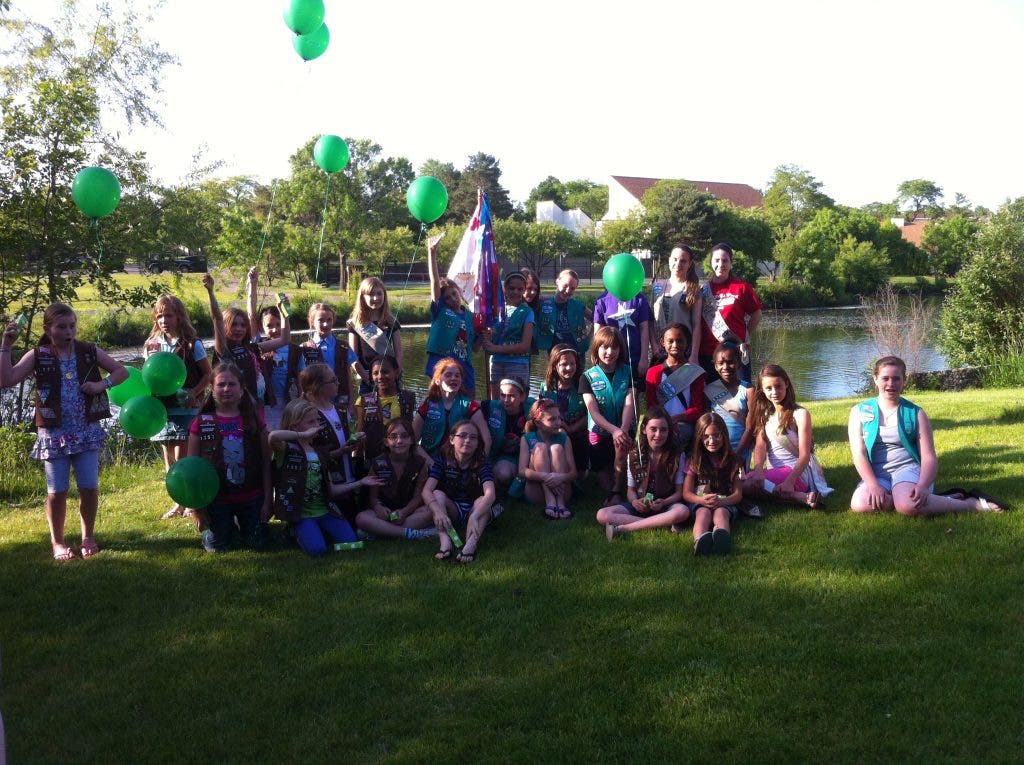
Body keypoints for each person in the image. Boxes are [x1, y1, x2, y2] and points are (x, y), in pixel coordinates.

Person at [0, 303, 128, 560]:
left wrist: (101, 384)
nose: (68, 331)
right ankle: (57, 542)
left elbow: (121, 371)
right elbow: (7, 380)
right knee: (57, 491)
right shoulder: (38, 354)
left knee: (89, 487)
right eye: (61, 327)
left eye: (72, 326)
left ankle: (87, 537)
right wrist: (6, 346)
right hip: (53, 433)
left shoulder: (89, 351)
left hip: (86, 430)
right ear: (48, 329)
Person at [848, 356, 1005, 515]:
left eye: (896, 378)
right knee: (860, 504)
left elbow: (929, 457)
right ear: (875, 379)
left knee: (907, 506)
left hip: (908, 469)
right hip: (877, 474)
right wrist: (873, 485)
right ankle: (933, 500)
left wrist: (922, 486)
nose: (890, 384)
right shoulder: (859, 412)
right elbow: (859, 454)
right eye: (885, 378)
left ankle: (972, 504)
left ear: (904, 380)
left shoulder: (916, 413)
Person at [269, 398, 371, 556]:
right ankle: (293, 530)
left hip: (324, 511)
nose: (317, 426)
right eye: (311, 422)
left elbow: (332, 490)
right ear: (294, 425)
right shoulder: (286, 449)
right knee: (318, 551)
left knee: (351, 542)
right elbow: (273, 437)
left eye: (317, 420)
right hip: (301, 514)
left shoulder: (320, 452)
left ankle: (317, 533)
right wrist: (302, 435)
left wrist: (360, 483)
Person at [188, 362, 271, 553]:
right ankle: (223, 528)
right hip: (217, 500)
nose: (226, 389)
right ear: (212, 388)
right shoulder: (201, 423)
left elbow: (266, 462)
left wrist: (268, 501)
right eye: (221, 384)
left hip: (252, 497)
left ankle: (245, 525)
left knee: (258, 543)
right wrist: (197, 510)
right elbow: (192, 470)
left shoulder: (254, 421)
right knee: (217, 547)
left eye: (232, 384)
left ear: (242, 389)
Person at [144, 295, 213, 520]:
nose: (164, 320)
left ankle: (190, 500)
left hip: (187, 410)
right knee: (169, 461)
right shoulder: (152, 345)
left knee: (183, 458)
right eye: (160, 315)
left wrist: (194, 393)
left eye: (169, 315)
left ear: (180, 316)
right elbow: (148, 376)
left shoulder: (193, 343)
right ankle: (178, 502)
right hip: (162, 410)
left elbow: (208, 374)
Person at [744, 364, 832, 508]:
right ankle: (800, 498)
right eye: (769, 388)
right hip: (775, 472)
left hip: (797, 473)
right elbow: (760, 446)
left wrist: (790, 482)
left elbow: (805, 455)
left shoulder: (800, 414)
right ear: (762, 390)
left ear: (786, 383)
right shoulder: (764, 414)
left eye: (778, 386)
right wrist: (759, 471)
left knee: (744, 485)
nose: (774, 392)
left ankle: (795, 493)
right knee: (741, 483)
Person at [598, 407, 690, 539]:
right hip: (641, 505)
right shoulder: (634, 454)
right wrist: (635, 502)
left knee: (682, 511)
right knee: (602, 514)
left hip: (666, 505)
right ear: (643, 429)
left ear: (669, 432)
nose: (658, 435)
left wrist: (663, 503)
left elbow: (679, 493)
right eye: (653, 429)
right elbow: (631, 490)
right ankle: (662, 523)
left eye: (663, 430)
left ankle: (624, 528)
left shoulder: (677, 455)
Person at [203, 271, 291, 409]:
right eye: (234, 324)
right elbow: (217, 319)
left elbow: (284, 339)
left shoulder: (253, 348)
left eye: (243, 325)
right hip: (236, 409)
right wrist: (210, 292)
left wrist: (283, 313)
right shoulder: (224, 350)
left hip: (257, 407)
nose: (239, 329)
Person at [422, 419, 502, 564]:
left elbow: (490, 494)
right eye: (463, 436)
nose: (467, 440)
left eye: (473, 437)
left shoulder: (482, 462)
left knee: (482, 500)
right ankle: (445, 542)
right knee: (437, 494)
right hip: (454, 508)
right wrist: (438, 512)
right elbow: (426, 490)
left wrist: (474, 515)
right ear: (452, 439)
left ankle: (471, 545)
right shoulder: (442, 460)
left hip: (477, 509)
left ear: (478, 443)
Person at [298, 362, 364, 523]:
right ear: (317, 386)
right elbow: (304, 453)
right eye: (333, 380)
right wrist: (338, 452)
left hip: (347, 479)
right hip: (325, 487)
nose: (338, 383)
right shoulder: (307, 415)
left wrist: (353, 443)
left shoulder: (340, 410)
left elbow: (342, 440)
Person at [354, 418, 436, 540]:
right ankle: (411, 533)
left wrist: (405, 511)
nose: (399, 441)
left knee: (430, 511)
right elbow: (373, 497)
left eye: (404, 436)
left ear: (412, 440)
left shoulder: (420, 463)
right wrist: (378, 507)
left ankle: (381, 531)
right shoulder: (378, 463)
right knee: (361, 518)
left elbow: (418, 497)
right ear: (386, 442)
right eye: (393, 437)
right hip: (384, 513)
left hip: (408, 512)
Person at [581, 326, 635, 503]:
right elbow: (593, 411)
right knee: (604, 473)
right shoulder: (587, 377)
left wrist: (623, 430)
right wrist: (613, 431)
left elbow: (630, 403)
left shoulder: (629, 373)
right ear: (597, 348)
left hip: (623, 428)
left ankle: (617, 492)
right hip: (600, 431)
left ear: (621, 350)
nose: (610, 352)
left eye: (615, 347)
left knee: (621, 452)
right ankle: (611, 488)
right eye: (605, 347)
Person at [699, 243, 762, 383]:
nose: (721, 264)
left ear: (731, 263)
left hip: (736, 351)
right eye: (716, 260)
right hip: (708, 353)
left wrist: (745, 337)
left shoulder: (742, 287)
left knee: (741, 395)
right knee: (713, 399)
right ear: (710, 263)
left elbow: (757, 314)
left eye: (725, 260)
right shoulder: (703, 292)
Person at [425, 233, 478, 393]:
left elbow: (474, 348)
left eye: (454, 294)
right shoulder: (441, 311)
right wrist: (432, 253)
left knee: (469, 400)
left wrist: (484, 336)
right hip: (443, 363)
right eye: (447, 297)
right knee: (441, 399)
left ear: (459, 291)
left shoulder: (470, 316)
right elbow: (434, 282)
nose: (452, 299)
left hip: (464, 365)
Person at [685, 412, 743, 555]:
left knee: (721, 515)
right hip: (701, 502)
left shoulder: (734, 461)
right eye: (706, 436)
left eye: (716, 435)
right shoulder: (695, 461)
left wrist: (723, 502)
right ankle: (699, 541)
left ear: (724, 435)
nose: (712, 440)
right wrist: (701, 500)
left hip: (725, 502)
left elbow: (738, 495)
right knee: (702, 514)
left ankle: (721, 537)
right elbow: (686, 493)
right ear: (699, 438)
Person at [413, 357, 490, 459]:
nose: (454, 378)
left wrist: (479, 463)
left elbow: (487, 439)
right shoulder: (427, 405)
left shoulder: (470, 406)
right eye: (448, 375)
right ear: (437, 381)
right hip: (430, 460)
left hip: (460, 462)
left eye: (457, 376)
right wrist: (430, 464)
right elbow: (412, 441)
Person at [644, 323, 705, 449]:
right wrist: (665, 423)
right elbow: (651, 406)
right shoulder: (653, 372)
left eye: (680, 341)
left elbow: (698, 408)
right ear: (663, 342)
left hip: (685, 425)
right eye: (670, 341)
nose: (675, 345)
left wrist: (677, 418)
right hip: (661, 427)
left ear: (687, 342)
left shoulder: (695, 372)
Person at [518, 398, 576, 519]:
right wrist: (545, 477)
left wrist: (559, 477)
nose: (558, 423)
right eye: (552, 419)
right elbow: (522, 471)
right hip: (537, 492)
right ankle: (549, 499)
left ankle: (559, 502)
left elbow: (573, 474)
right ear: (538, 423)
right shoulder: (527, 438)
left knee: (556, 449)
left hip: (562, 492)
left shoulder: (564, 438)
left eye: (559, 418)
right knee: (540, 447)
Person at [480, 272, 535, 398]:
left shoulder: (527, 312)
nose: (515, 292)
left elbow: (525, 345)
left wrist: (495, 349)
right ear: (505, 289)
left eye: (520, 289)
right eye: (511, 288)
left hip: (518, 363)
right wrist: (487, 336)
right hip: (496, 362)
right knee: (496, 403)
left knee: (516, 403)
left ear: (524, 290)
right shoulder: (495, 310)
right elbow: (488, 340)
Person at [354, 355, 416, 463]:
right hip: (373, 457)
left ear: (396, 373)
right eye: (375, 373)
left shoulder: (408, 397)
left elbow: (410, 430)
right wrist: (357, 457)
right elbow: (359, 431)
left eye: (385, 371)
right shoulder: (364, 400)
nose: (380, 376)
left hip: (400, 458)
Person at [348, 276, 402, 395]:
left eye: (379, 293)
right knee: (369, 412)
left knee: (393, 412)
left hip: (389, 377)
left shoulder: (391, 322)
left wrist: (396, 372)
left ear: (384, 295)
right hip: (367, 377)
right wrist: (364, 375)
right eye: (371, 294)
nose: (376, 298)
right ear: (362, 297)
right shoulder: (356, 324)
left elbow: (399, 353)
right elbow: (353, 356)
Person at [538, 343, 588, 473]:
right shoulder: (545, 387)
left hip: (577, 435)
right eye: (564, 364)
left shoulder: (583, 385)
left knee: (582, 476)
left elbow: (590, 414)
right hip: (553, 432)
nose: (569, 368)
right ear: (555, 366)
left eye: (572, 363)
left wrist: (571, 428)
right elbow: (541, 414)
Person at [299, 301, 355, 413]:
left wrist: (351, 402)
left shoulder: (343, 346)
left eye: (329, 320)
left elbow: (348, 375)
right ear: (312, 321)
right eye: (321, 320)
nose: (325, 324)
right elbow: (301, 380)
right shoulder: (304, 348)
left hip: (340, 399)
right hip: (315, 402)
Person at [252, 303, 300, 431]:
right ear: (261, 328)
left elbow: (301, 376)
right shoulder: (260, 347)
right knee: (269, 435)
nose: (274, 329)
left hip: (289, 401)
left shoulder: (295, 350)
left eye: (278, 324)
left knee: (289, 435)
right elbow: (251, 315)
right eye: (269, 326)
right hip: (268, 403)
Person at [652, 245, 703, 365]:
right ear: (669, 260)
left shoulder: (693, 289)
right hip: (660, 350)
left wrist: (694, 355)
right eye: (675, 259)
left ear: (689, 264)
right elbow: (650, 321)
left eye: (683, 261)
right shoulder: (657, 287)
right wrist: (654, 345)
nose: (678, 263)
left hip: (683, 350)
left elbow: (697, 325)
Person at [705, 343, 755, 462]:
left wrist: (737, 454)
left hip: (741, 450)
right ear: (715, 366)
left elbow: (750, 426)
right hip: (716, 448)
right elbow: (706, 423)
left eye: (730, 362)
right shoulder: (709, 391)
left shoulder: (749, 390)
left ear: (739, 363)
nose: (726, 367)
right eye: (721, 363)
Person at [593, 284, 654, 382]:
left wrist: (644, 358)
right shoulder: (602, 300)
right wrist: (596, 357)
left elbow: (644, 328)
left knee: (633, 392)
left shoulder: (639, 298)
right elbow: (597, 333)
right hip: (609, 357)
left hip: (634, 358)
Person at [482, 378, 535, 487]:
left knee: (503, 474)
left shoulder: (533, 407)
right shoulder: (491, 406)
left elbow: (550, 412)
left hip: (523, 456)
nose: (506, 400)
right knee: (503, 473)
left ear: (523, 397)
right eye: (502, 395)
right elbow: (470, 406)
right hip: (500, 455)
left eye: (511, 396)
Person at [535, 269, 590, 358]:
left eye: (572, 288)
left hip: (576, 354)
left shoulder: (577, 306)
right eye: (565, 285)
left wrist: (588, 339)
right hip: (554, 353)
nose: (568, 290)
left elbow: (596, 318)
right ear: (557, 281)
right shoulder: (545, 303)